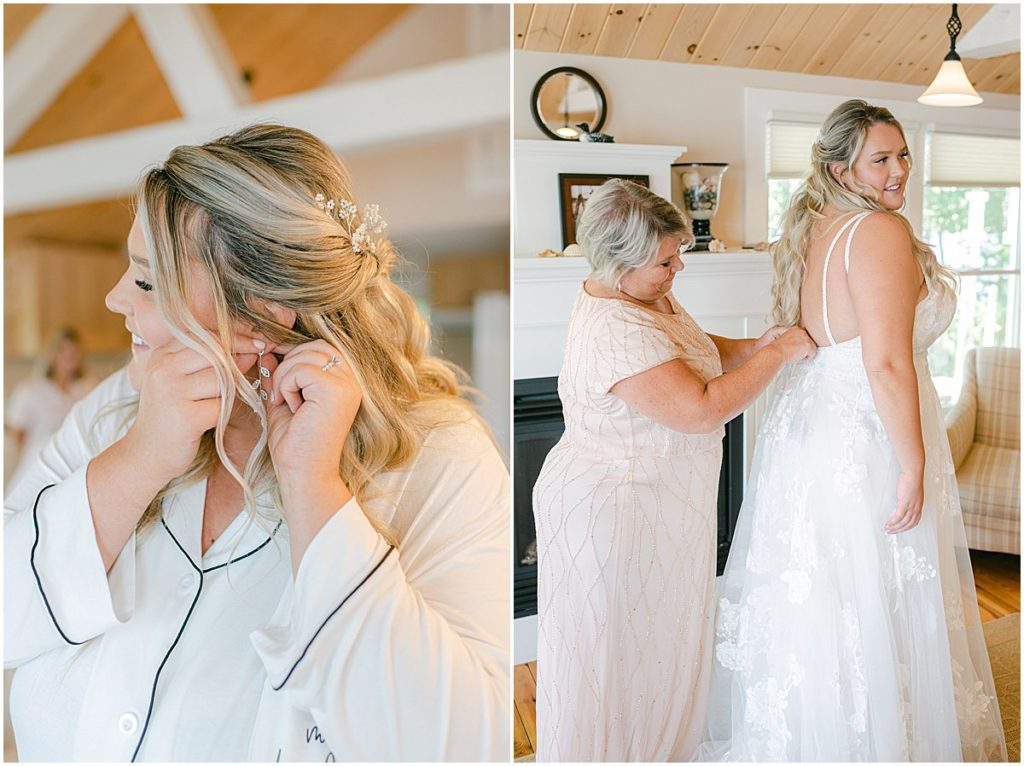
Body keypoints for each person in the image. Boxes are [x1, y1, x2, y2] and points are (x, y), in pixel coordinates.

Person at [4, 124, 510, 762]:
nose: (114, 299)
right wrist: (139, 457)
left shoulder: (439, 457)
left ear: (265, 309)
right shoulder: (113, 409)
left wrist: (314, 490)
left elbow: (457, 746)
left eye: (147, 281)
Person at [696, 100, 1006, 761]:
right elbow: (887, 362)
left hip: (817, 435)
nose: (900, 171)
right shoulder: (878, 233)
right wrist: (914, 464)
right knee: (876, 595)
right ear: (840, 167)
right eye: (882, 159)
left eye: (903, 155)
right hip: (867, 437)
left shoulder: (820, 227)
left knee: (833, 606)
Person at [532, 179, 816, 762]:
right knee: (618, 660)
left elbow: (690, 348)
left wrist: (756, 342)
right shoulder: (614, 330)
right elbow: (701, 407)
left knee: (655, 647)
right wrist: (778, 356)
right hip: (611, 515)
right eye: (667, 260)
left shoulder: (643, 297)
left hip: (654, 506)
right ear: (619, 264)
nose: (678, 267)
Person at [5, 328, 96, 490]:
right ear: (52, 355)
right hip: (37, 463)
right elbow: (16, 434)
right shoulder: (30, 390)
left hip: (78, 465)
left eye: (74, 351)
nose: (69, 356)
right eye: (63, 350)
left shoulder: (89, 388)